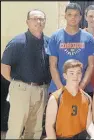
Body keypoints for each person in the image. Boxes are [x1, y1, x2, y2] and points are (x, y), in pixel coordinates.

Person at [1, 9, 50, 139]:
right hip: (22, 89)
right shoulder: (17, 42)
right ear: (27, 22)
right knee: (16, 128)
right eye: (34, 18)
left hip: (42, 90)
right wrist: (16, 84)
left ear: (45, 22)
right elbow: (4, 67)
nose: (38, 22)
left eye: (41, 19)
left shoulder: (48, 42)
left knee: (35, 129)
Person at [47, 3, 94, 95]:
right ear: (65, 16)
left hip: (83, 90)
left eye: (76, 15)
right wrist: (61, 89)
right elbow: (53, 65)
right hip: (58, 90)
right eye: (70, 14)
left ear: (80, 17)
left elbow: (91, 66)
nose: (73, 17)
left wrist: (81, 86)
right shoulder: (55, 37)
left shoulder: (89, 38)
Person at [45, 59, 94, 139]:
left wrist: (93, 136)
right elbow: (49, 126)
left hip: (81, 136)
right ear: (65, 75)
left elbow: (89, 123)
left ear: (81, 75)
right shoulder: (55, 98)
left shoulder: (87, 98)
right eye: (71, 73)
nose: (75, 76)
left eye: (78, 73)